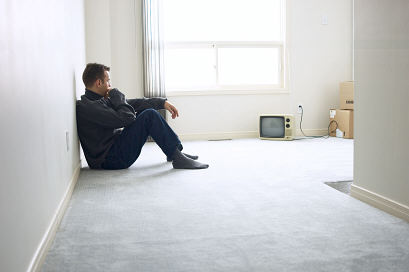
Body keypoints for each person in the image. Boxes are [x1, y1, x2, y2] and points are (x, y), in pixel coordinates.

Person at [76, 63, 209, 170]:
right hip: (109, 159)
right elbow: (127, 118)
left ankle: (174, 153)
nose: (110, 85)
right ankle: (176, 156)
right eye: (108, 81)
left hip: (113, 150)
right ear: (99, 83)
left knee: (146, 112)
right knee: (149, 115)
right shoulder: (89, 107)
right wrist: (116, 94)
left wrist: (162, 102)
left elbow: (134, 103)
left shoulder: (98, 101)